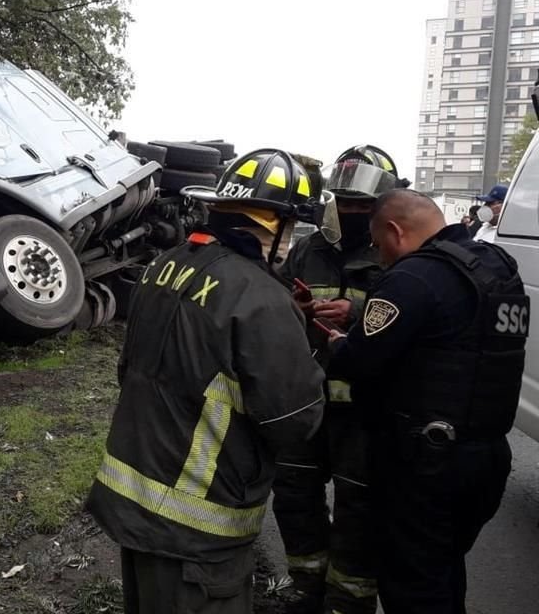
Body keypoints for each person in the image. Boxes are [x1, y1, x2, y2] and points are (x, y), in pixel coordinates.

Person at [86, 149, 328, 614]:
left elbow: (133, 370)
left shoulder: (163, 267)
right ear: (276, 224)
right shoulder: (262, 299)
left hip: (135, 509)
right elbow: (295, 421)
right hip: (197, 535)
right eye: (292, 227)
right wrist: (305, 345)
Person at [327, 190, 528, 614]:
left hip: (425, 464)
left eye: (379, 243)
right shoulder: (497, 267)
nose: (380, 255)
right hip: (487, 456)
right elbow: (451, 333)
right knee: (443, 571)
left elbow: (359, 361)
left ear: (394, 231)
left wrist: (339, 343)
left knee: (412, 587)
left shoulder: (409, 277)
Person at [273, 144, 402, 614]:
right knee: (293, 497)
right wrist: (297, 308)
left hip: (366, 413)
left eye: (362, 206)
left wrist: (360, 311)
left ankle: (347, 602)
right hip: (307, 403)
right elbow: (276, 303)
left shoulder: (396, 253)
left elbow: (410, 322)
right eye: (343, 203)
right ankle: (306, 588)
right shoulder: (308, 249)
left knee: (359, 510)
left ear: (382, 206)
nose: (350, 213)